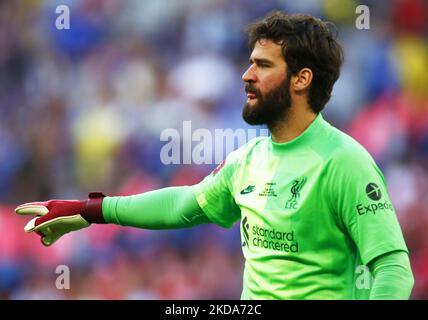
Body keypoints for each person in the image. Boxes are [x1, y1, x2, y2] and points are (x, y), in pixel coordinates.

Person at [15, 11, 414, 300]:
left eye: (262, 65)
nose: (246, 74)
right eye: (249, 63)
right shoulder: (250, 159)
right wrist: (90, 210)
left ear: (301, 79)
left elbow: (394, 270)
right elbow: (184, 204)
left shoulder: (344, 161)